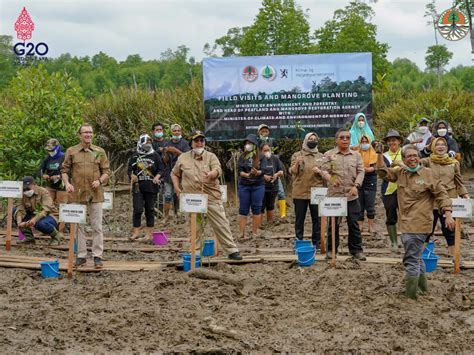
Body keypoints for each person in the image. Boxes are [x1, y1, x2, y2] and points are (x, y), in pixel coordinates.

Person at [375, 143, 455, 299]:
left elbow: (442, 194)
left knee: (411, 259)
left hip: (420, 224)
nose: (412, 158)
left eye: (414, 155)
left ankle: (411, 295)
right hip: (405, 223)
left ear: (419, 158)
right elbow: (382, 172)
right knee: (417, 257)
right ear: (404, 159)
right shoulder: (401, 173)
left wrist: (448, 214)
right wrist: (379, 154)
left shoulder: (428, 174)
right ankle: (423, 290)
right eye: (408, 156)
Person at [171, 130, 242, 260]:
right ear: (191, 143)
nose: (199, 143)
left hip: (210, 196)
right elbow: (175, 173)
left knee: (221, 223)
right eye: (196, 141)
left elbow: (217, 169)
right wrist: (176, 187)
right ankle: (196, 252)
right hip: (192, 198)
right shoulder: (183, 158)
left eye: (201, 141)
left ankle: (232, 250)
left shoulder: (211, 156)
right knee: (194, 226)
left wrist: (212, 174)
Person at [61, 123, 111, 269]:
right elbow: (64, 170)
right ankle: (81, 256)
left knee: (97, 226)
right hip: (76, 194)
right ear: (80, 135)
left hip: (95, 194)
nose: (88, 135)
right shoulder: (72, 151)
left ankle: (97, 256)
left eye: (90, 132)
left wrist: (100, 181)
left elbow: (107, 171)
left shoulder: (99, 151)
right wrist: (66, 184)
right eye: (85, 133)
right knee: (78, 226)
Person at [319, 128, 366, 260]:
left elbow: (361, 171)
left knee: (354, 224)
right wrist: (332, 180)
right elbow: (324, 171)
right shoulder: (329, 154)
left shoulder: (356, 155)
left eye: (347, 137)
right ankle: (331, 250)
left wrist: (356, 186)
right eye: (342, 137)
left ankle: (356, 251)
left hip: (352, 195)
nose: (345, 140)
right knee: (333, 224)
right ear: (336, 140)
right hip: (335, 196)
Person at [421, 137, 468, 262]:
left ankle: (455, 258)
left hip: (450, 199)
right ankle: (420, 257)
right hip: (432, 200)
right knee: (427, 230)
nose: (441, 147)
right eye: (437, 145)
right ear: (433, 147)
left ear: (447, 148)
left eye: (443, 145)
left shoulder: (454, 163)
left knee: (450, 230)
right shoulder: (427, 161)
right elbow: (414, 162)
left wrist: (466, 196)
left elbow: (459, 182)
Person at [290, 132, 325, 248]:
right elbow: (292, 172)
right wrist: (297, 163)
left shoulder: (321, 156)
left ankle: (317, 242)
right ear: (305, 140)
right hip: (300, 191)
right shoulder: (297, 154)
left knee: (317, 219)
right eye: (310, 138)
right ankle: (298, 241)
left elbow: (327, 173)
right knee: (300, 219)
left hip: (317, 191)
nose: (312, 140)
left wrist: (319, 171)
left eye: (315, 139)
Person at [128, 134, 164, 241]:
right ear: (141, 143)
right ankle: (136, 232)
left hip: (151, 186)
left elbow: (161, 169)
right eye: (146, 142)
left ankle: (149, 233)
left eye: (150, 142)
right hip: (138, 187)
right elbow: (129, 170)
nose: (148, 144)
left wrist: (157, 177)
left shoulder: (155, 155)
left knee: (150, 210)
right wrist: (132, 176)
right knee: (138, 209)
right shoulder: (135, 156)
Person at [14, 176, 62, 245]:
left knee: (40, 224)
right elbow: (20, 209)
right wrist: (19, 222)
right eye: (24, 189)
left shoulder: (43, 191)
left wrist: (34, 220)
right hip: (32, 215)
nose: (26, 191)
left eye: (28, 188)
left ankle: (56, 237)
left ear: (34, 185)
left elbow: (46, 209)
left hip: (49, 216)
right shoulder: (21, 194)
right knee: (14, 211)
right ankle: (29, 238)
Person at [380, 129, 404, 252]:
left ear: (399, 141)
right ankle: (394, 242)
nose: (391, 142)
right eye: (389, 141)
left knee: (406, 215)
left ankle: (406, 240)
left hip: (405, 189)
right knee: (390, 215)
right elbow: (381, 171)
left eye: (394, 140)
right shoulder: (384, 156)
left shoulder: (405, 153)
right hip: (389, 189)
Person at [237, 134, 265, 238]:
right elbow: (239, 170)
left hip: (258, 186)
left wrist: (258, 172)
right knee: (243, 209)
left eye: (250, 143)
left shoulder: (261, 156)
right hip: (244, 185)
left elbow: (264, 170)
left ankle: (254, 232)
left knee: (256, 208)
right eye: (246, 143)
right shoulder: (242, 156)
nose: (248, 145)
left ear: (255, 145)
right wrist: (246, 174)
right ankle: (241, 233)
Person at [257, 124, 286, 218]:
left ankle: (283, 213)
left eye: (266, 131)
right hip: (262, 174)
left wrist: (275, 157)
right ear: (259, 132)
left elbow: (279, 151)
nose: (264, 133)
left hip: (273, 169)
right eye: (262, 131)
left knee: (280, 192)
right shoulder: (256, 142)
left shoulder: (272, 140)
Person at [40, 138, 68, 233]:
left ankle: (61, 230)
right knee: (48, 206)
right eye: (48, 150)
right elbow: (40, 170)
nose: (50, 152)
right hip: (50, 185)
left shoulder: (64, 157)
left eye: (52, 150)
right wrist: (44, 175)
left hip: (62, 186)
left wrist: (59, 176)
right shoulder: (47, 158)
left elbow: (71, 170)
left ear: (57, 147)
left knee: (62, 207)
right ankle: (48, 228)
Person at [162, 123, 190, 220]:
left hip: (181, 173)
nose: (177, 132)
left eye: (178, 130)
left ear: (181, 132)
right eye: (174, 130)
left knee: (179, 193)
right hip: (169, 173)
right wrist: (166, 153)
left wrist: (175, 150)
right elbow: (165, 161)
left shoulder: (185, 143)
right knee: (168, 195)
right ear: (171, 132)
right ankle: (166, 216)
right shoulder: (166, 143)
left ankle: (180, 214)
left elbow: (187, 157)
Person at [356, 135, 377, 235]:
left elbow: (375, 167)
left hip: (370, 179)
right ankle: (360, 226)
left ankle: (371, 226)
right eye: (362, 142)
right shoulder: (356, 153)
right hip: (359, 179)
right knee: (359, 204)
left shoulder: (374, 153)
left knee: (370, 204)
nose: (364, 144)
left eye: (366, 141)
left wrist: (368, 169)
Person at [260, 142, 284, 226]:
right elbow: (254, 172)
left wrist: (276, 175)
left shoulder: (275, 159)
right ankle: (260, 224)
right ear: (261, 151)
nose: (267, 152)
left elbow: (281, 171)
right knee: (261, 205)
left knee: (270, 205)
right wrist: (263, 176)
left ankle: (270, 222)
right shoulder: (258, 159)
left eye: (268, 150)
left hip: (273, 186)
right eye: (264, 150)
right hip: (261, 186)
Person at [151, 122, 168, 216]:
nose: (159, 131)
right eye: (157, 130)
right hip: (154, 171)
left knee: (165, 193)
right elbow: (150, 155)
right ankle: (154, 212)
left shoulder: (167, 142)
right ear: (153, 131)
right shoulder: (151, 143)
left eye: (160, 130)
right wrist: (159, 150)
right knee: (155, 193)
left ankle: (164, 213)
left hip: (166, 171)